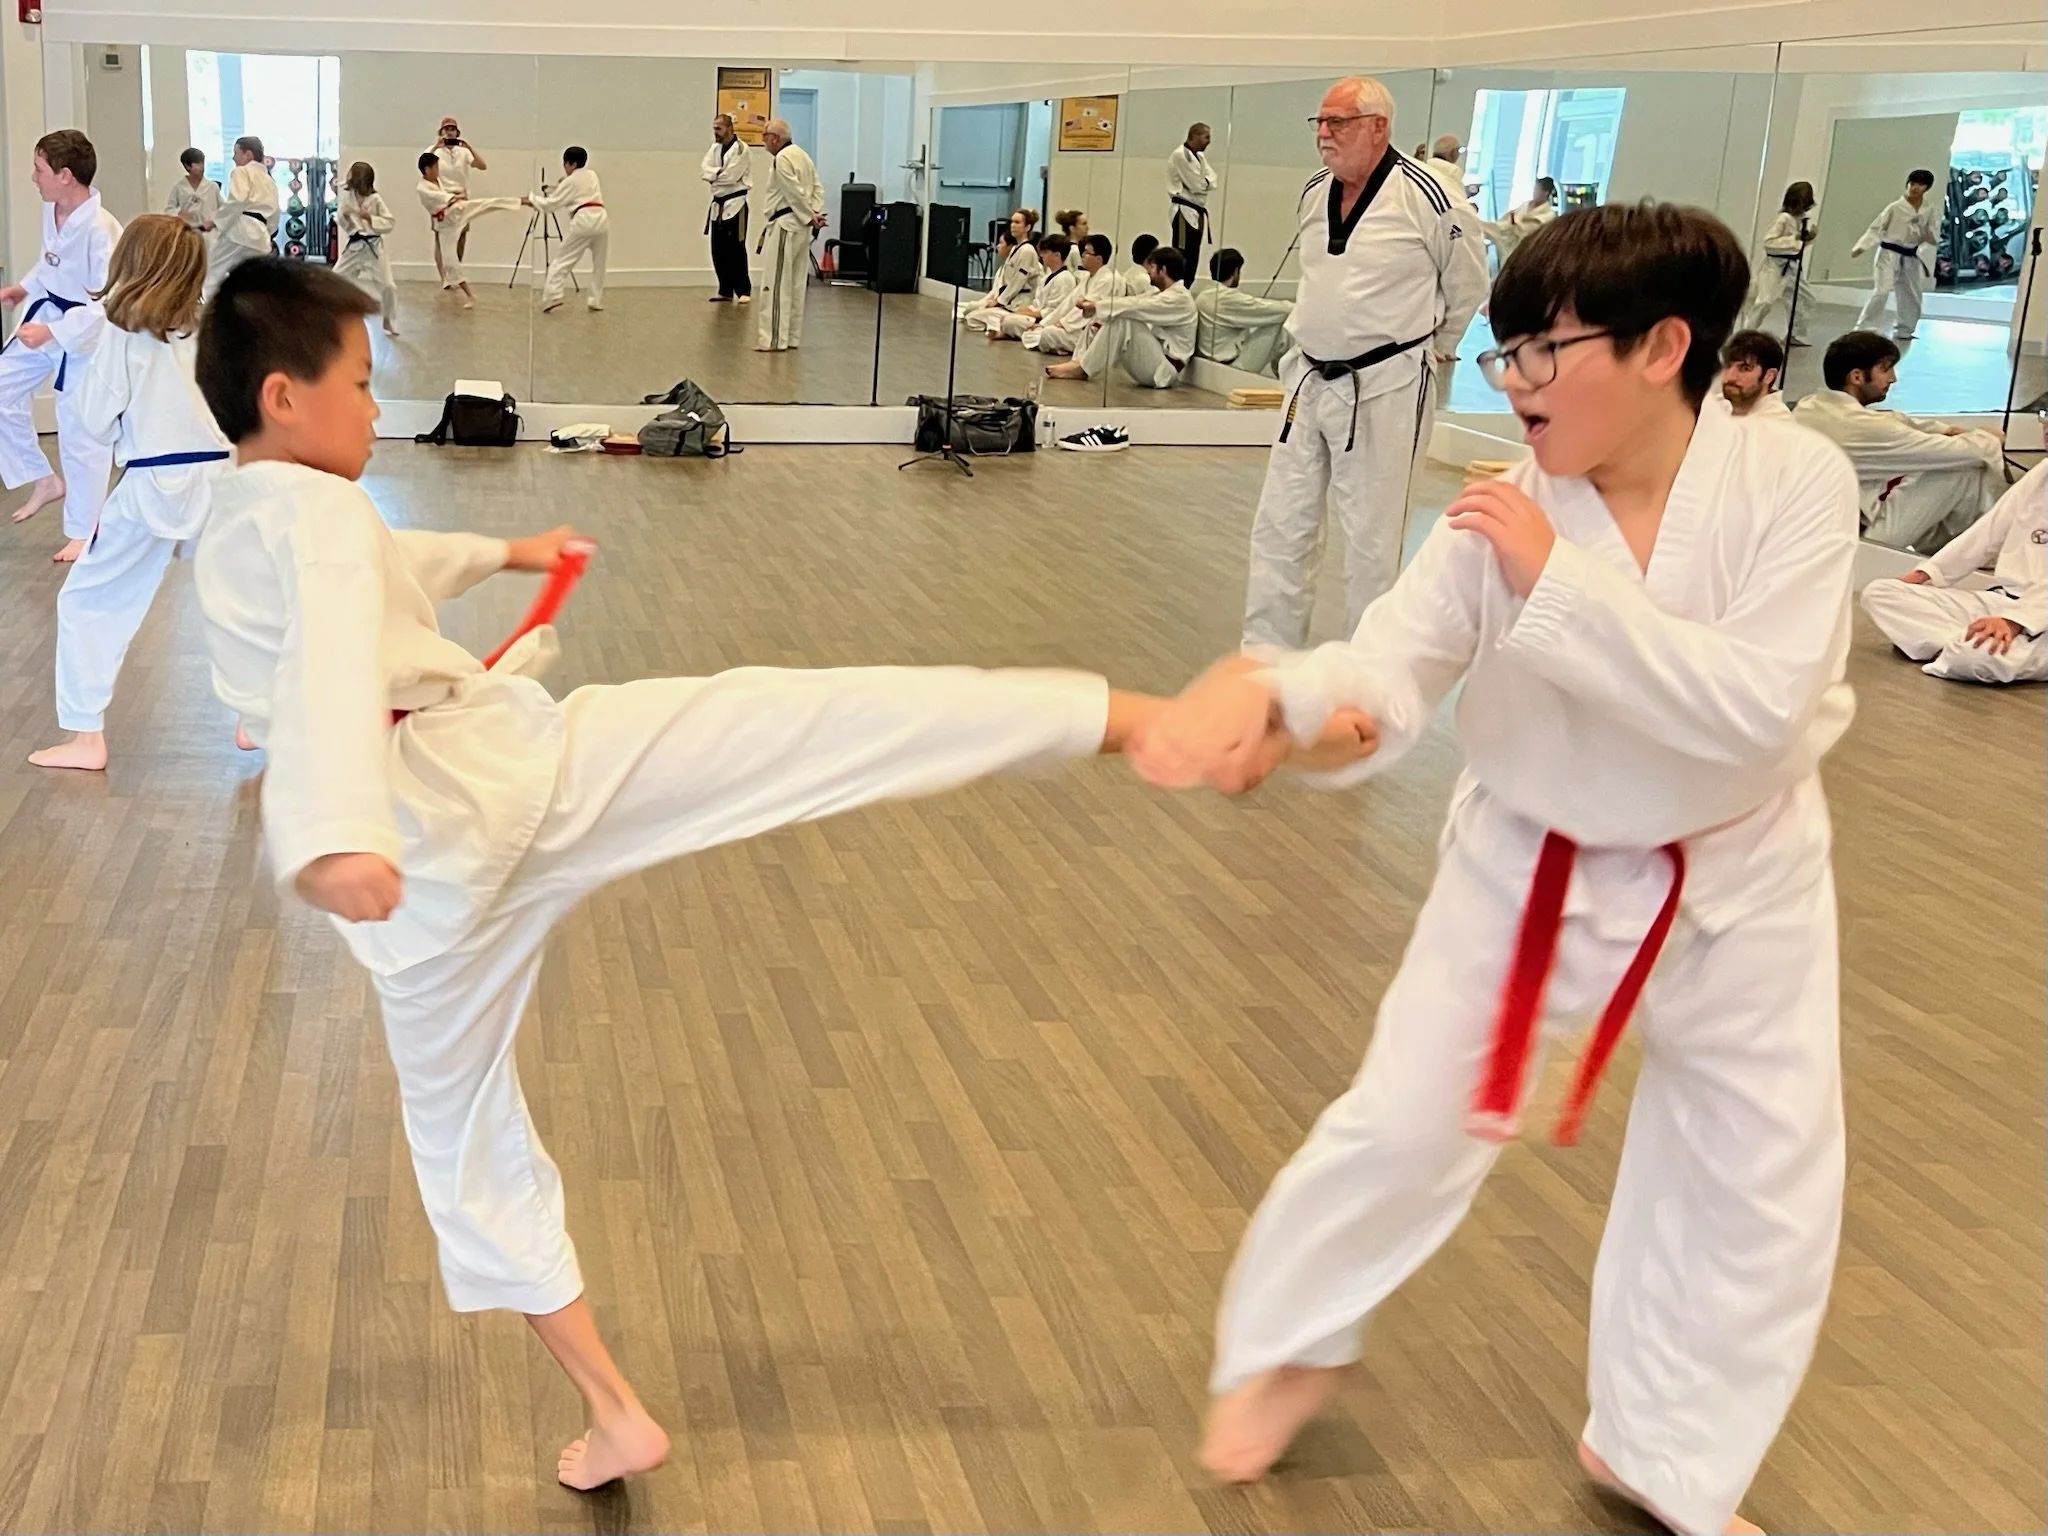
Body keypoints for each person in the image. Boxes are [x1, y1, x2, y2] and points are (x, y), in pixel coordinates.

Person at [186, 255, 1388, 1495]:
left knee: (464, 1144)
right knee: (800, 722)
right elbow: (331, 652)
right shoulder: (319, 521)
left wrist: (500, 554)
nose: (373, 407)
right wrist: (333, 834)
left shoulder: (244, 514)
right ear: (285, 396)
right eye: (360, 384)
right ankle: (1142, 722)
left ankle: (613, 1410)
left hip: (429, 887)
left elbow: (361, 596)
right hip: (489, 791)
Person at [1132, 200, 1861, 1536]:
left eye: (1543, 352)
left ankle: (1665, 1453)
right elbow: (1389, 667)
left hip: (1742, 869)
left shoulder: (1792, 482)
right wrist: (1289, 711)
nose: (1514, 383)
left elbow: (1759, 712)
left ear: (1663, 348)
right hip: (1535, 859)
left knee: (1755, 1176)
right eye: (1503, 353)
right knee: (1406, 1120)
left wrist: (1558, 582)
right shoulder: (1504, 510)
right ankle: (1291, 1341)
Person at [1240, 77, 1487, 649]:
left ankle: (1369, 670)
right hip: (1308, 378)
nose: (1324, 133)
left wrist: (1440, 342)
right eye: (1320, 122)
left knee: (1374, 542)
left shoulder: (1429, 196)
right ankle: (1265, 662)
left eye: (1339, 121)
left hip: (1388, 383)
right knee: (1280, 527)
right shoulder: (1313, 191)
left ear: (1378, 127)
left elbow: (1469, 283)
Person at [29, 215, 229, 772]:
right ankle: (258, 716)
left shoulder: (122, 333)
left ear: (129, 264)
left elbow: (94, 420)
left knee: (89, 600)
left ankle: (86, 737)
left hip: (153, 483)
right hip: (224, 480)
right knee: (246, 597)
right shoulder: (212, 328)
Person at [0, 128, 122, 563]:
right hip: (47, 314)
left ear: (65, 175)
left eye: (39, 169)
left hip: (84, 333)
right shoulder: (52, 210)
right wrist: (23, 287)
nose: (34, 177)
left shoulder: (102, 230)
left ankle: (85, 530)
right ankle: (43, 478)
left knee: (79, 430)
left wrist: (54, 333)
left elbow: (108, 303)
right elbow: (50, 263)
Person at [1790, 331, 2003, 550]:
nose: (1893, 378)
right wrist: (1989, 438)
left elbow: (1892, 420)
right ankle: (1965, 551)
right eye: (1885, 369)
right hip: (1856, 540)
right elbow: (1971, 452)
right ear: (1857, 377)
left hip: (1814, 527)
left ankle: (1957, 550)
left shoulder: (1808, 406)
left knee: (1950, 461)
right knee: (1963, 467)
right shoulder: (1863, 427)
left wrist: (1947, 430)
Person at [1861, 461, 2048, 685]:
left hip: (2039, 619)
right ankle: (1961, 648)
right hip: (2002, 601)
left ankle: (1959, 650)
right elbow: (1988, 531)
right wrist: (1927, 573)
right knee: (1880, 592)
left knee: (1977, 656)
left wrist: (2014, 621)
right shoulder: (2043, 472)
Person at [1043, 244, 1197, 389]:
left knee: (1123, 317)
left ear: (1163, 270)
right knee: (1115, 314)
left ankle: (1083, 369)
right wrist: (1096, 306)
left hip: (1164, 370)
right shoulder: (1162, 294)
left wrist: (1097, 306)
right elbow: (1133, 301)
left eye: (1151, 267)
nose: (1148, 272)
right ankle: (1079, 362)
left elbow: (1137, 306)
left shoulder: (1179, 298)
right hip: (1154, 360)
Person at [415, 152, 521, 311]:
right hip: (446, 226)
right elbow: (443, 197)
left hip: (458, 212)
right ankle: (470, 295)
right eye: (436, 167)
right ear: (427, 169)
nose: (438, 170)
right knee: (450, 262)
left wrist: (460, 197)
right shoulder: (423, 188)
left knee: (485, 204)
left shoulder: (437, 181)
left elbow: (449, 197)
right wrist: (459, 196)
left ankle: (521, 201)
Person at [755, 117, 824, 352]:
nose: (763, 141)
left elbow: (793, 191)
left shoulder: (783, 158)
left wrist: (809, 215)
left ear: (775, 139)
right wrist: (814, 213)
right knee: (795, 284)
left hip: (786, 225)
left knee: (775, 284)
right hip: (801, 227)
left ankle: (773, 339)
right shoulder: (802, 155)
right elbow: (817, 188)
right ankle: (791, 337)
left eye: (765, 136)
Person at [1851, 170, 1938, 339]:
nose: (1914, 188)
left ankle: (1905, 329)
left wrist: (1927, 234)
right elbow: (1876, 228)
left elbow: (1933, 233)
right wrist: (1862, 246)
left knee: (1911, 293)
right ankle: (1864, 326)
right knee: (1882, 290)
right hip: (1889, 253)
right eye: (1912, 183)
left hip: (1910, 255)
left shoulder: (1928, 209)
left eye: (1919, 185)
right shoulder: (1895, 207)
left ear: (1926, 188)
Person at [525, 146, 608, 314]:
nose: (565, 168)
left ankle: (553, 295)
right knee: (600, 263)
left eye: (565, 164)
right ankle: (595, 300)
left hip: (584, 220)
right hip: (601, 219)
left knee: (563, 260)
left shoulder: (571, 181)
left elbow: (551, 204)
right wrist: (559, 186)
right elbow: (575, 190)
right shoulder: (592, 175)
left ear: (571, 164)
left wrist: (531, 199)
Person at [202, 135, 278, 304]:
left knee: (213, 274)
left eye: (236, 153)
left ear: (248, 155)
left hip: (239, 232)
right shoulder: (269, 179)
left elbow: (237, 200)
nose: (233, 158)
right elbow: (274, 213)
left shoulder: (241, 171)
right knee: (257, 281)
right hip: (260, 236)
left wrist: (215, 221)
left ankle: (213, 313)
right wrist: (266, 232)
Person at [1196, 247, 1294, 374]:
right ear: (1236, 271)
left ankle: (1282, 372)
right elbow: (1276, 309)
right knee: (1280, 322)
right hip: (1232, 367)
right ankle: (1286, 374)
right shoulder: (1228, 298)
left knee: (1275, 324)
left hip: (1206, 363)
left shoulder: (1202, 296)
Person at [1743, 181, 1817, 345]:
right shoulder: (1783, 218)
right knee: (1765, 301)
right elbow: (1769, 242)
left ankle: (1795, 334)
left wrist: (1808, 239)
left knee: (1804, 299)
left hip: (1793, 266)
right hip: (1774, 265)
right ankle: (1747, 332)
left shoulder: (1801, 219)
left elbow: (1798, 246)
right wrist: (1795, 238)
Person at [334, 161, 401, 336]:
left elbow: (389, 222)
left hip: (374, 248)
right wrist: (345, 216)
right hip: (355, 247)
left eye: (351, 173)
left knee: (388, 286)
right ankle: (335, 315)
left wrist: (370, 218)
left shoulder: (375, 199)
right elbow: (341, 219)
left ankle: (388, 319)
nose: (347, 176)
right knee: (336, 278)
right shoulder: (348, 197)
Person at [1024, 232, 1119, 355]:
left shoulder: (1107, 280)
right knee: (1037, 332)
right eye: (1083, 252)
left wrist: (1064, 323)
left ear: (1099, 259)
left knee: (1049, 333)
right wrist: (1044, 323)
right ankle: (1055, 345)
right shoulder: (1088, 278)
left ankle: (1057, 345)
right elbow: (1068, 304)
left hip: (1092, 331)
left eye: (1087, 253)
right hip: (1073, 327)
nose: (1083, 255)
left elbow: (1085, 310)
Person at [428, 116, 489, 283]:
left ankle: (454, 273)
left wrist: (469, 147)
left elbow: (482, 165)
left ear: (457, 132)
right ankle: (444, 277)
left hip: (461, 198)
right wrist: (436, 146)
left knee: (460, 237)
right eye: (446, 129)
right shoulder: (435, 152)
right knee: (440, 238)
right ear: (441, 132)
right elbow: (423, 165)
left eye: (452, 129)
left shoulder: (464, 152)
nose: (450, 132)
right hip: (441, 198)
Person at [701, 113, 752, 303]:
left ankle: (743, 290)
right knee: (718, 250)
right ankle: (725, 290)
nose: (715, 132)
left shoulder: (741, 149)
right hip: (718, 205)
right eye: (714, 128)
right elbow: (703, 170)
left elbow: (731, 176)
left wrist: (713, 176)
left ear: (730, 128)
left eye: (719, 128)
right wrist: (717, 173)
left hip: (735, 205)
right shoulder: (714, 148)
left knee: (735, 250)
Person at [962, 219, 1044, 333]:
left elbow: (1017, 283)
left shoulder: (1027, 251)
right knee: (970, 313)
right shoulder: (1016, 250)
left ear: (1027, 227)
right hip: (1008, 302)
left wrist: (999, 301)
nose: (1013, 225)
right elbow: (1002, 287)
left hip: (1019, 304)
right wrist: (992, 301)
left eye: (1017, 222)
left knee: (975, 317)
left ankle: (1000, 329)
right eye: (1012, 222)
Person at [988, 233, 1074, 340]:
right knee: (1003, 317)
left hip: (1047, 321)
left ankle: (1014, 332)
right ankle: (1008, 332)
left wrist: (1031, 314)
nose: (1042, 256)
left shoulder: (1065, 278)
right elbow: (1037, 304)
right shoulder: (1047, 277)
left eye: (1045, 252)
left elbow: (1055, 310)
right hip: (1035, 316)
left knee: (1009, 321)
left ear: (1057, 255)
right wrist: (1024, 310)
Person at [1168, 123, 1218, 285]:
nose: (1209, 141)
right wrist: (1205, 183)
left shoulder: (1199, 157)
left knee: (1193, 256)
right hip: (1184, 211)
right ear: (1194, 136)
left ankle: (1186, 288)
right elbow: (1197, 185)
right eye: (1206, 137)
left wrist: (1206, 183)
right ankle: (1178, 288)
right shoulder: (1180, 155)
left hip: (1197, 212)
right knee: (1182, 255)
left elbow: (1214, 180)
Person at [1481, 176, 1556, 265]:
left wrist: (1515, 222)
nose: (1534, 192)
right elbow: (1508, 219)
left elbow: (1531, 230)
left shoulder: (1548, 215)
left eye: (1537, 189)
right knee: (1490, 228)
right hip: (1509, 241)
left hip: (1527, 252)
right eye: (1534, 189)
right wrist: (1512, 221)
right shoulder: (1525, 205)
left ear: (1545, 193)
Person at [1715, 329, 1789, 419]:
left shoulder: (1777, 422)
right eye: (1727, 366)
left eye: (1745, 368)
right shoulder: (1716, 405)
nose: (1730, 377)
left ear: (1769, 376)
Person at [165, 146, 220, 235]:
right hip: (188, 232)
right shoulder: (179, 187)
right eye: (197, 164)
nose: (201, 167)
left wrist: (213, 221)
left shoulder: (213, 187)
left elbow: (223, 211)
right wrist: (179, 214)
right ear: (187, 166)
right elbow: (169, 210)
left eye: (202, 163)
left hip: (210, 233)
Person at [1419, 133, 1474, 209]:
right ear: (1452, 152)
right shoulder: (1453, 170)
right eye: (1458, 150)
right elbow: (1458, 200)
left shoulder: (1423, 164)